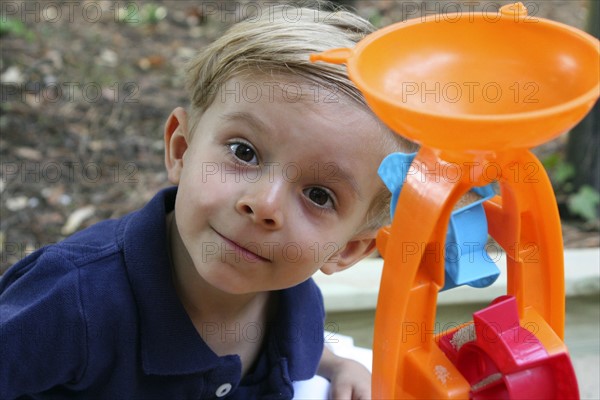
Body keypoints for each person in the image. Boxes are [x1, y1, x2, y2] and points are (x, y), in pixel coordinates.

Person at [0, 2, 416, 399]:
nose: (264, 204)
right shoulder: (71, 301)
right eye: (243, 152)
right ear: (181, 150)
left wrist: (338, 366)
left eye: (319, 195)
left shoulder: (293, 298)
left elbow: (298, 343)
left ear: (348, 248)